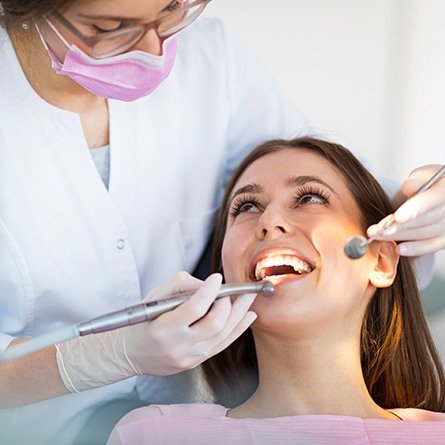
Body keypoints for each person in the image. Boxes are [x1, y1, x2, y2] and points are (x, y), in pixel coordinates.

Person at [0, 0, 444, 443]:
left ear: (382, 261)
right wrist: (106, 355)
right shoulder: (153, 435)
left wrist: (414, 208)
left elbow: (330, 181)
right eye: (110, 25)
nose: (155, 50)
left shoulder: (212, 65)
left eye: (172, 9)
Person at [109, 137, 445, 445]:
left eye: (309, 197)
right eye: (246, 207)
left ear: (381, 261)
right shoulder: (153, 435)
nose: (269, 220)